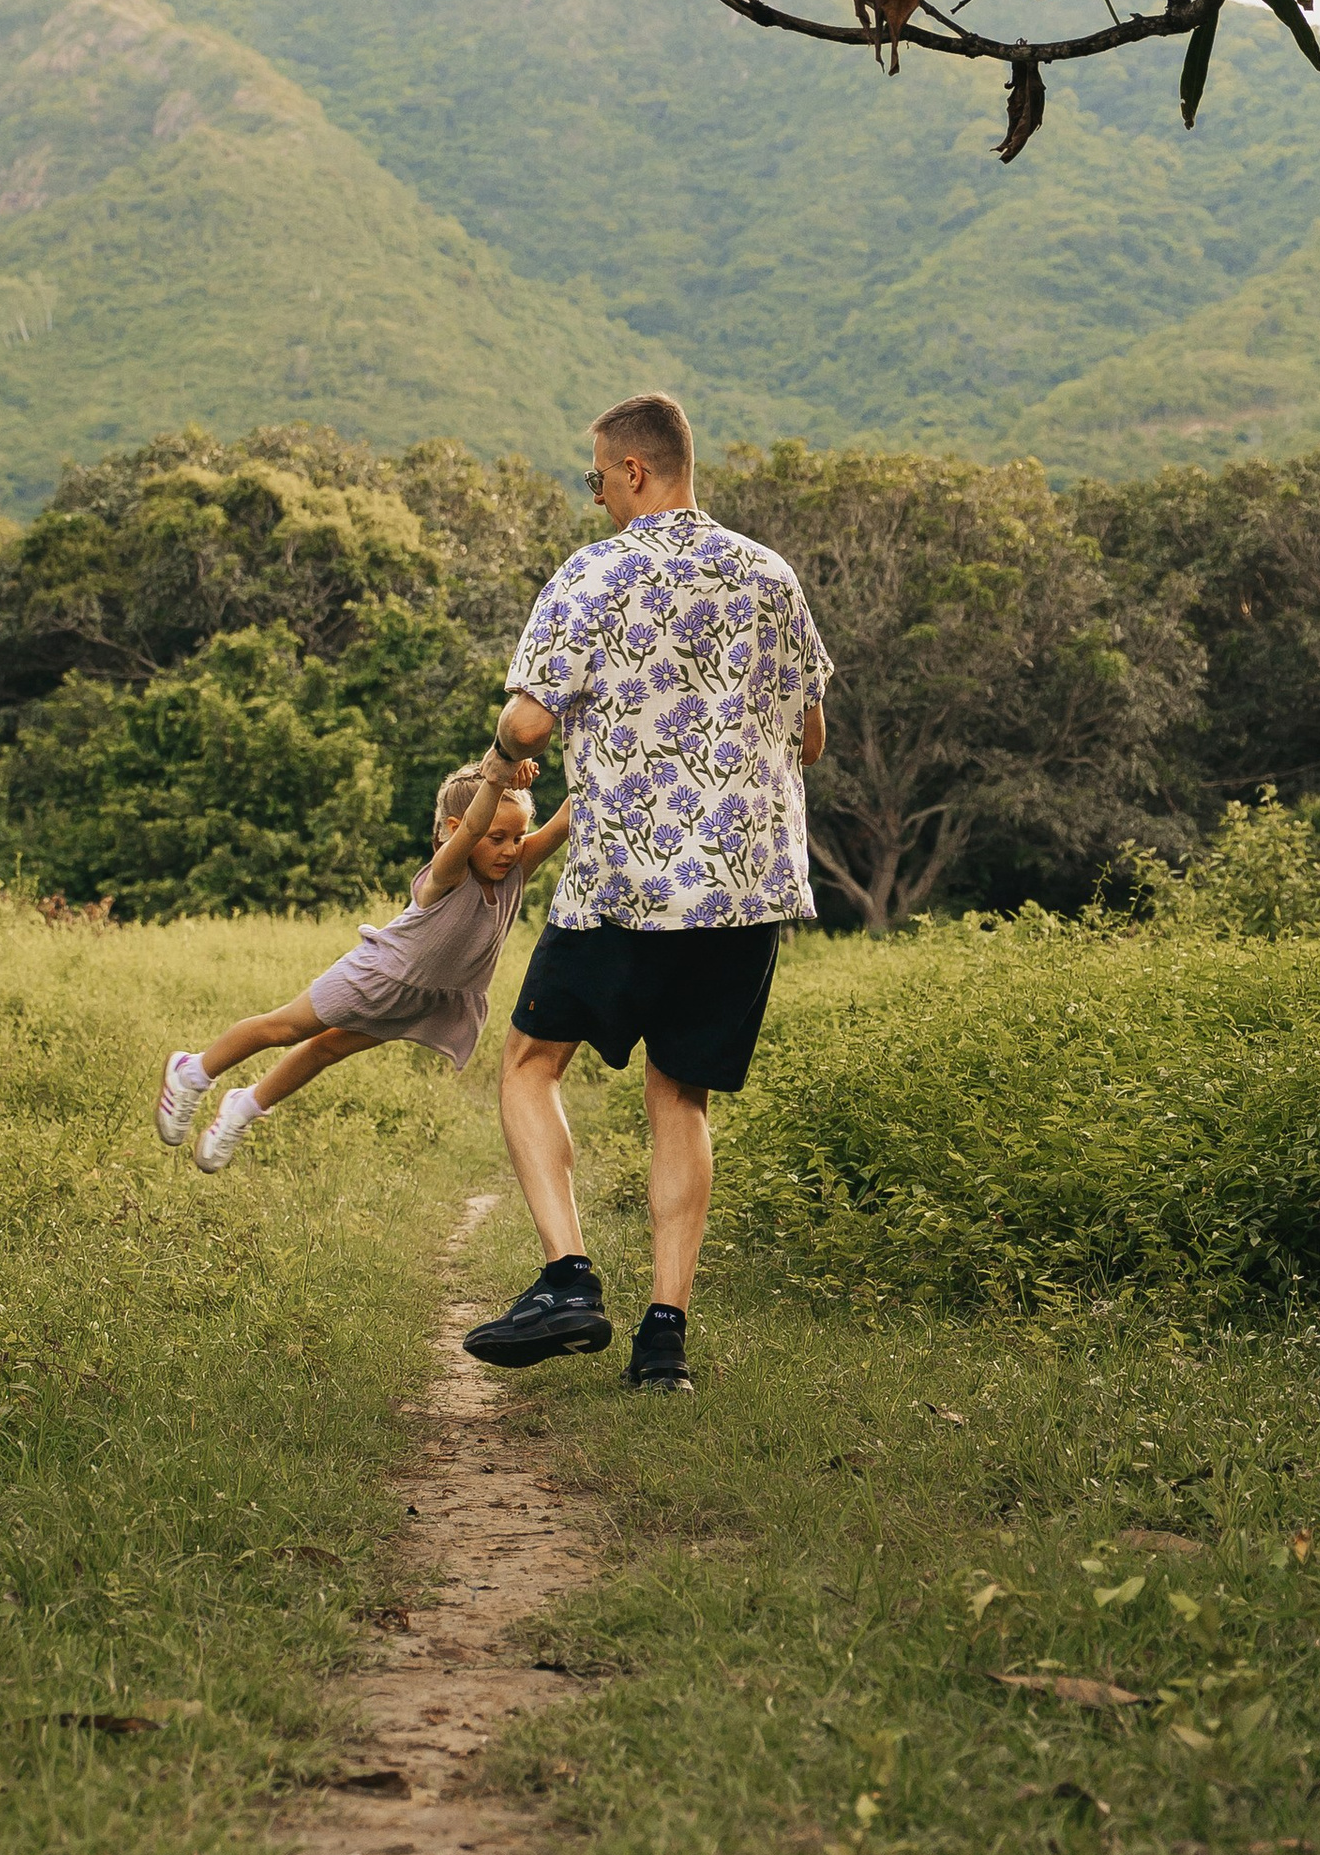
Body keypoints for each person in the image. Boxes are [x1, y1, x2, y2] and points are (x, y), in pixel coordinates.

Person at [463, 393, 829, 1396]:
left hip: (625, 877)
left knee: (531, 1063)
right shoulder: (769, 573)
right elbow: (809, 738)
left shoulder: (595, 570)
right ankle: (663, 1340)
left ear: (631, 471)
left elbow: (532, 723)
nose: (596, 496)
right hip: (745, 888)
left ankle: (567, 1276)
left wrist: (499, 756)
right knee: (680, 1091)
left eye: (594, 477)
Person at [155, 755, 571, 1173]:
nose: (510, 849)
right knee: (284, 1028)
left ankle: (243, 1107)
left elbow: (568, 817)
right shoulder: (448, 873)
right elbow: (475, 826)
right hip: (377, 975)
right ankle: (192, 1071)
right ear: (454, 830)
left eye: (517, 837)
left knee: (327, 1049)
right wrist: (498, 775)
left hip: (422, 998)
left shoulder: (516, 870)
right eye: (497, 837)